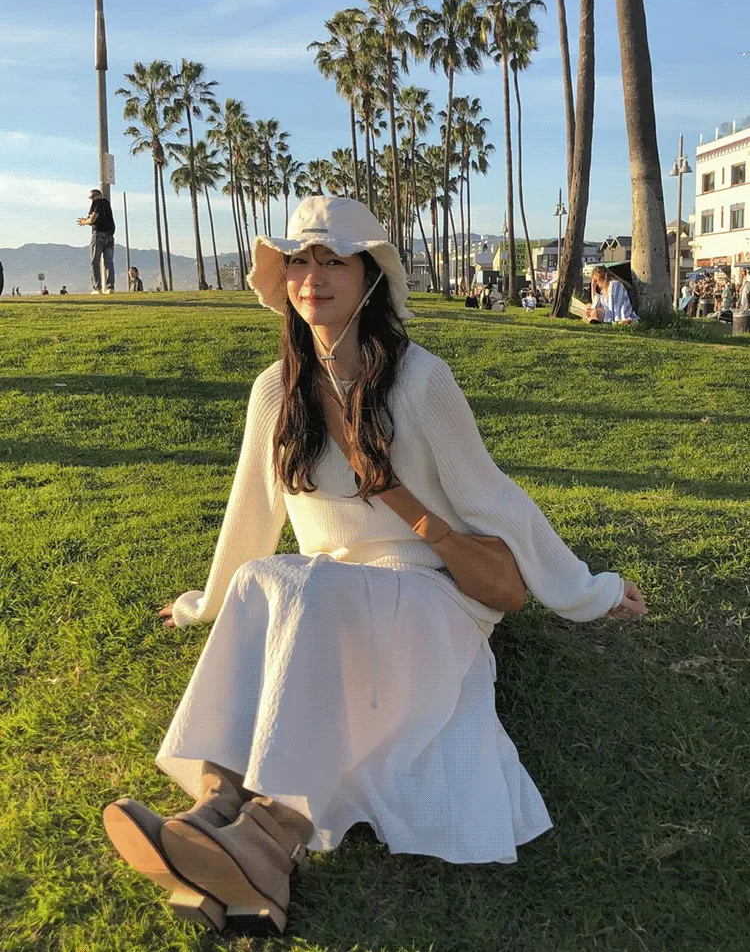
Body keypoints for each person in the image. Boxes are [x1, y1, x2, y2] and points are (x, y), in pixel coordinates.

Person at [102, 196, 647, 938]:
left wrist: (590, 590)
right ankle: (212, 814)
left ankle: (268, 840)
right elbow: (250, 518)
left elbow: (494, 498)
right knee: (270, 578)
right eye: (299, 261)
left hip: (429, 594)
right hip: (326, 595)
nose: (312, 276)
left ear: (370, 277)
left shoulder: (420, 381)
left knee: (311, 586)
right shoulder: (275, 391)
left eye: (333, 260)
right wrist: (206, 602)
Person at [77, 188, 116, 294]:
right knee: (109, 262)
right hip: (110, 236)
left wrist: (84, 222)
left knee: (95, 262)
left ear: (98, 195)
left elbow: (93, 218)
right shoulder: (107, 204)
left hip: (99, 235)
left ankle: (97, 288)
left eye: (92, 197)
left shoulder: (98, 203)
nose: (91, 199)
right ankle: (110, 287)